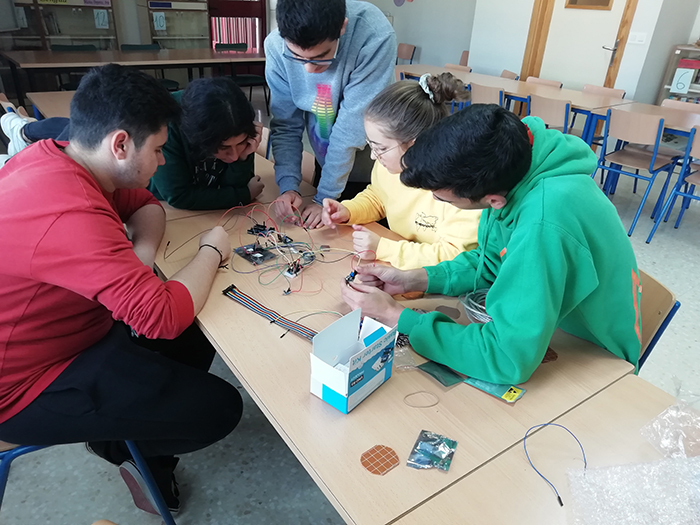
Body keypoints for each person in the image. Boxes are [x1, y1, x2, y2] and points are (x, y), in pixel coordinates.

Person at [0, 65, 242, 515]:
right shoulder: (69, 213)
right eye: (157, 148)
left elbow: (146, 204)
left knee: (198, 328)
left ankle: (134, 438)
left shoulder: (62, 157)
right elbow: (162, 317)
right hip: (26, 384)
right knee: (220, 408)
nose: (164, 160)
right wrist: (211, 249)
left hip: (75, 332)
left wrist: (142, 257)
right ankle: (117, 446)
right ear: (120, 144)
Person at [341, 104, 642, 385]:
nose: (434, 201)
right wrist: (413, 279)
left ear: (493, 201)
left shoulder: (542, 221)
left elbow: (506, 358)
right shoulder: (515, 159)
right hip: (548, 325)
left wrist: (396, 316)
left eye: (442, 198)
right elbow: (491, 264)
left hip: (592, 359)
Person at [0, 77, 264, 210]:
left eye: (239, 145)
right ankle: (21, 130)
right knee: (67, 135)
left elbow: (232, 182)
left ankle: (21, 130)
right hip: (90, 142)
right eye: (222, 149)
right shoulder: (165, 127)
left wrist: (243, 159)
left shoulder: (233, 127)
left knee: (69, 130)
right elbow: (177, 195)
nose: (232, 156)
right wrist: (242, 195)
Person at [321, 73, 481, 269]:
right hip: (402, 269)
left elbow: (455, 256)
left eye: (380, 148)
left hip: (438, 282)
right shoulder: (387, 167)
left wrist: (384, 248)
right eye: (371, 144)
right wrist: (348, 210)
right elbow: (379, 197)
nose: (373, 156)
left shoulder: (459, 191)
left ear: (416, 145)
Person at [265, 0, 397, 229]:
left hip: (371, 167)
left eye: (320, 56)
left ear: (342, 27)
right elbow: (286, 125)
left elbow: (349, 131)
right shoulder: (276, 45)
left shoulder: (373, 35)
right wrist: (288, 186)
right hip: (326, 157)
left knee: (369, 235)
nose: (308, 69)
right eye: (298, 57)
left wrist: (323, 197)